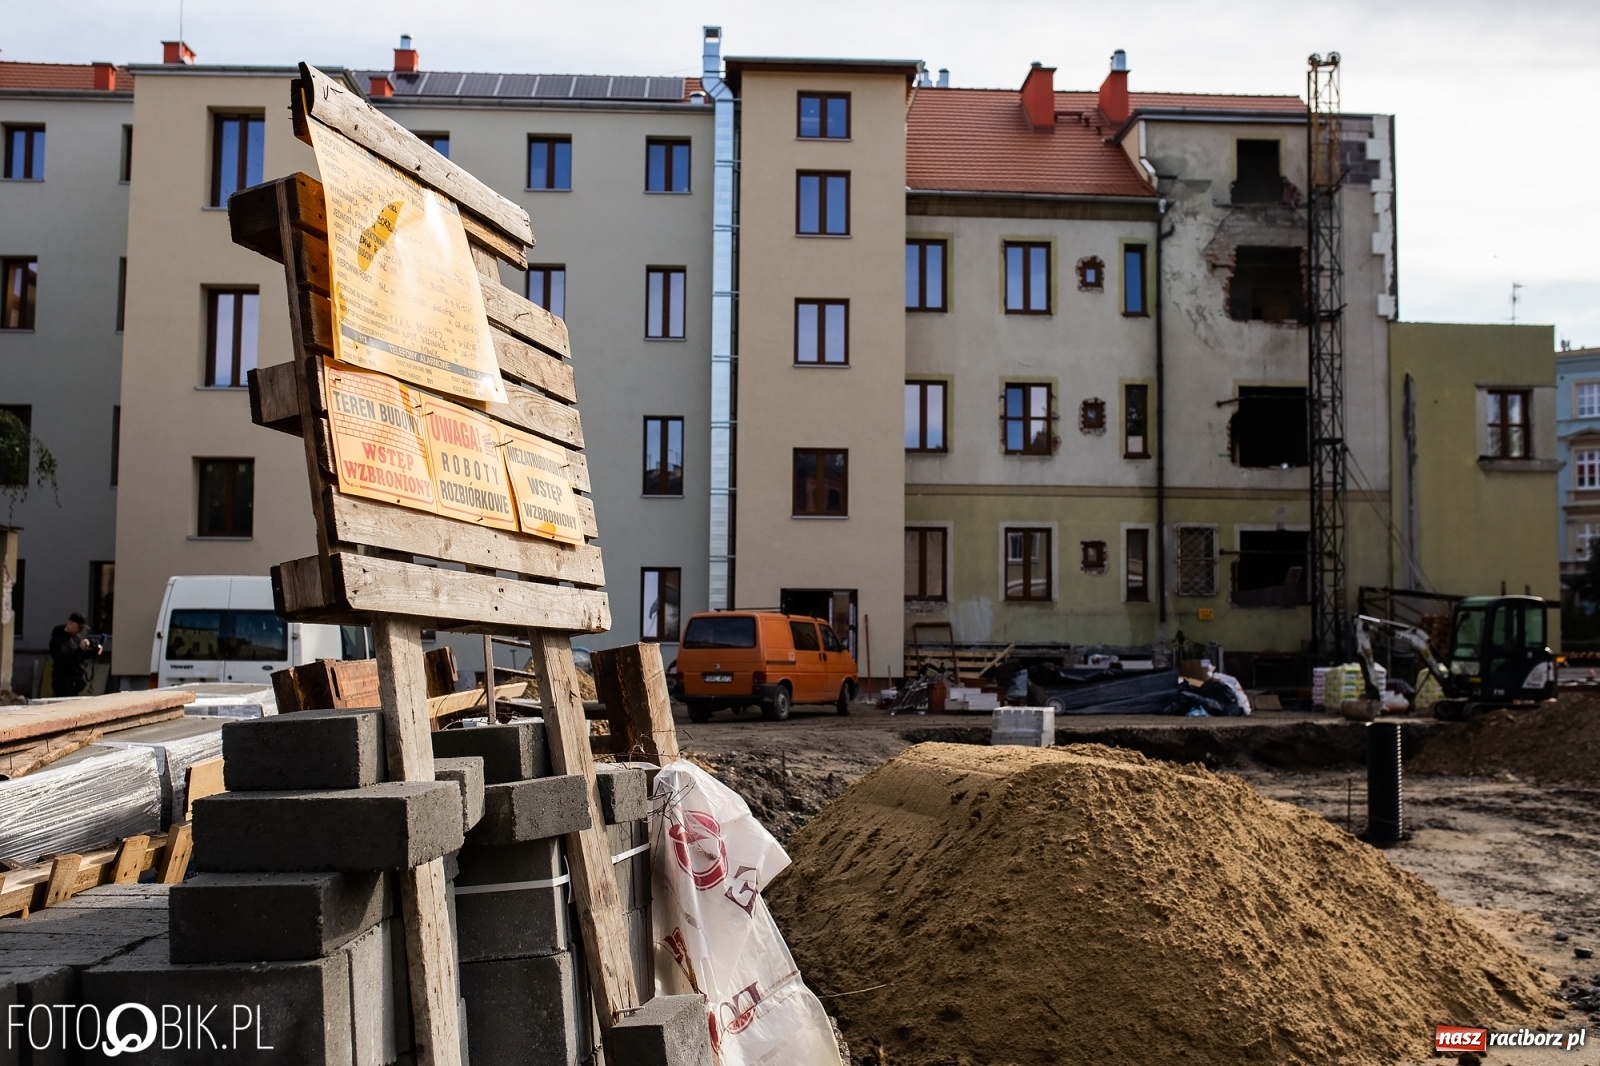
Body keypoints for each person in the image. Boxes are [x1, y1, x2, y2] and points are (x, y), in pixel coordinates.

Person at [49, 612, 103, 697]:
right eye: (79, 627)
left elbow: (80, 656)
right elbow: (64, 660)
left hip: (74, 681)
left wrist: (93, 651)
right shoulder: (58, 640)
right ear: (70, 623)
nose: (80, 630)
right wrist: (80, 650)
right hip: (63, 681)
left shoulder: (75, 638)